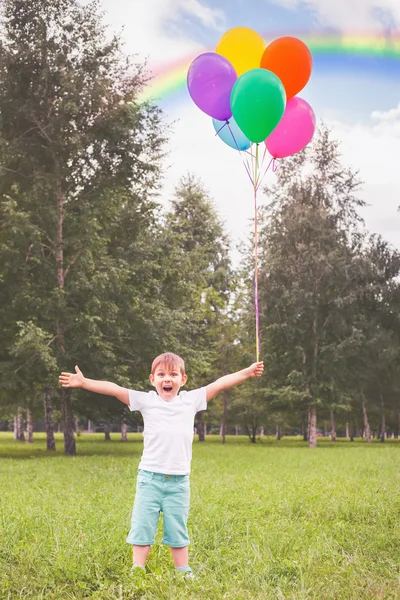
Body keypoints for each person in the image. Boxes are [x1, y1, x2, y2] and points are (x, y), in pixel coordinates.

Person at [59, 352, 264, 577]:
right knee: (142, 525)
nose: (167, 379)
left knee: (177, 527)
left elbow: (219, 383)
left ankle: (183, 570)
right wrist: (84, 382)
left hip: (178, 482)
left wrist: (247, 372)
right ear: (152, 379)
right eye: (161, 374)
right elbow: (114, 388)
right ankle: (137, 569)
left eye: (173, 374)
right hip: (150, 479)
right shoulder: (147, 400)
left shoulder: (191, 400)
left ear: (183, 380)